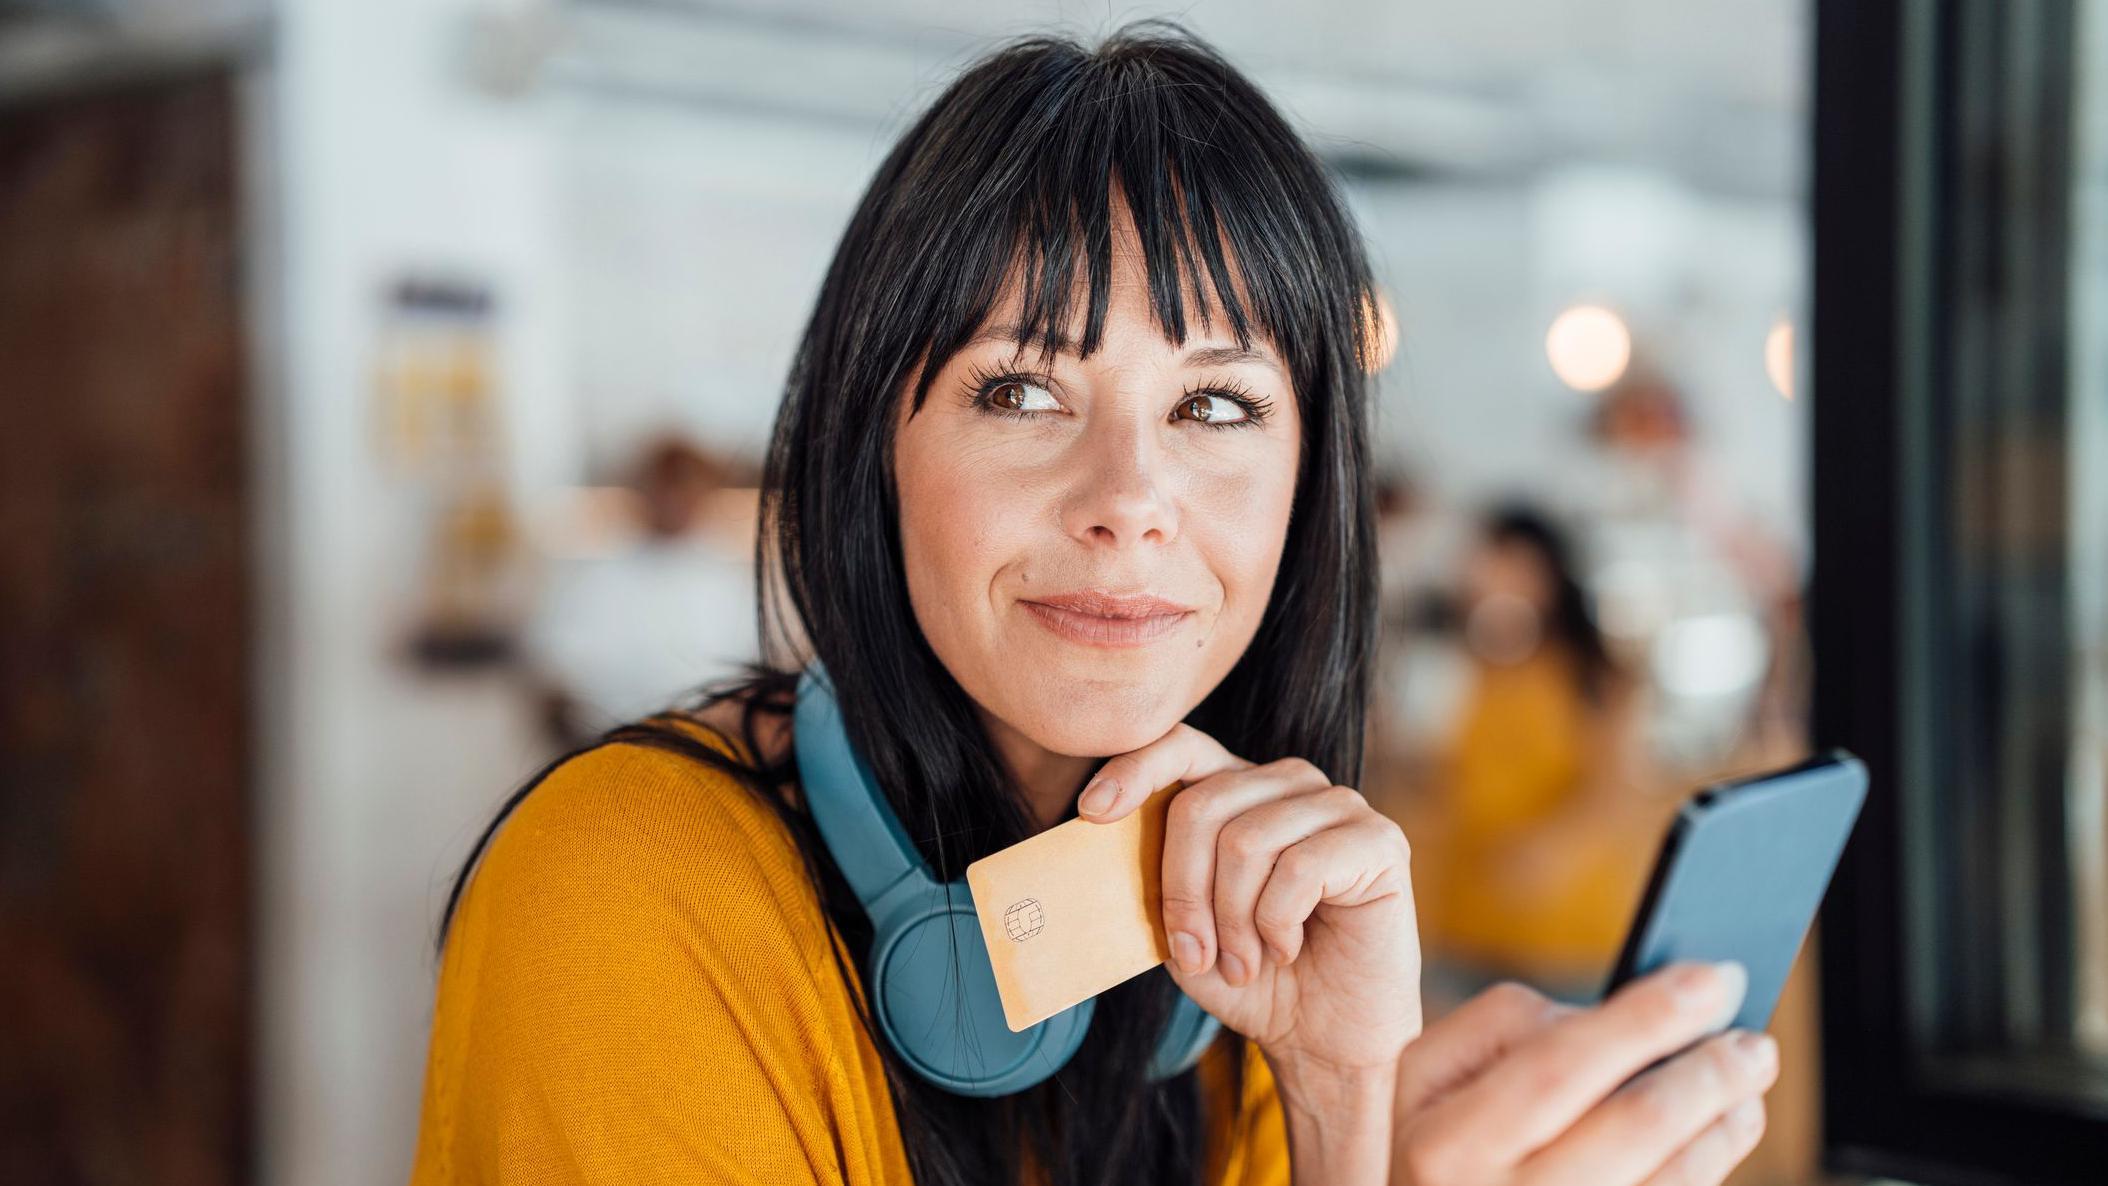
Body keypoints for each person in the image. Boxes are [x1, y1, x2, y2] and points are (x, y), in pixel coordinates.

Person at [406, 22, 1776, 1186]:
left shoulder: (1233, 924)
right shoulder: (627, 890)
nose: (1131, 496)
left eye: (1217, 405)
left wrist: (1346, 1107)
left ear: (1309, 493)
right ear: (869, 442)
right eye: (1020, 390)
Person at [1405, 505, 1657, 1012]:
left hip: (1569, 941)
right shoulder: (1456, 666)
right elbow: (1429, 778)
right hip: (1465, 930)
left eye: (1507, 562)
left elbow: (1616, 791)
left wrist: (1545, 854)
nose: (1488, 576)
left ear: (1548, 572)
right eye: (1482, 562)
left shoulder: (1595, 672)